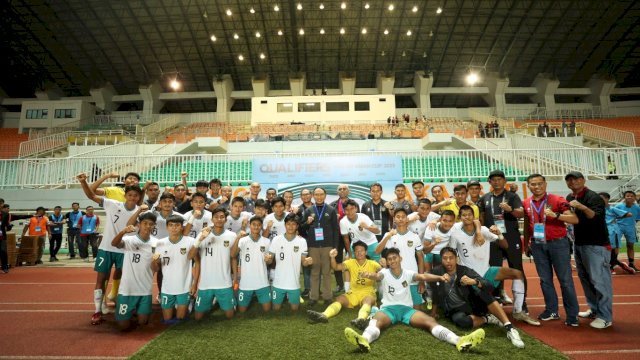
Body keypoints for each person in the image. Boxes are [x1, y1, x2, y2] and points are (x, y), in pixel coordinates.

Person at [343, 247, 485, 353]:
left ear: (400, 258)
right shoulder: (384, 273)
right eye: (389, 259)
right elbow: (376, 277)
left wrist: (440, 277)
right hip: (388, 309)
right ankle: (364, 340)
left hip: (407, 310)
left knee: (430, 322)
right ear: (387, 261)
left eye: (394, 257)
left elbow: (423, 277)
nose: (392, 260)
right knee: (376, 322)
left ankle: (459, 341)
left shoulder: (408, 273)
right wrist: (369, 275)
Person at [449, 205, 539, 326]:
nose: (467, 217)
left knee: (517, 274)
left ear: (474, 216)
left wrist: (500, 234)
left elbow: (505, 245)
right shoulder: (456, 234)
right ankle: (494, 318)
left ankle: (518, 311)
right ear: (460, 218)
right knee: (485, 303)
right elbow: (452, 254)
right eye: (464, 215)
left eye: (469, 214)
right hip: (470, 275)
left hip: (487, 271)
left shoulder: (484, 230)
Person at [77, 172, 141, 325]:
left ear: (139, 197)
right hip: (106, 248)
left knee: (125, 280)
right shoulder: (113, 204)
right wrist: (83, 182)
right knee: (101, 279)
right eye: (130, 195)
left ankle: (124, 307)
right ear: (125, 195)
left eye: (135, 196)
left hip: (125, 250)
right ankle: (98, 310)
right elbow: (91, 196)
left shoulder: (140, 211)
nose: (132, 198)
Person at [431, 247, 525, 348]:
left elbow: (488, 285)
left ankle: (510, 328)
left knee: (485, 294)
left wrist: (474, 282)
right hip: (455, 310)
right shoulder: (436, 272)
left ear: (456, 258)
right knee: (463, 322)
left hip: (471, 304)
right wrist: (433, 313)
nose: (448, 261)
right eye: (445, 258)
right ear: (441, 259)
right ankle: (488, 319)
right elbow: (435, 293)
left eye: (451, 258)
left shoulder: (465, 270)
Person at [522, 173, 580, 326]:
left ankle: (572, 315)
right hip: (537, 244)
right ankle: (552, 310)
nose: (537, 187)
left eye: (540, 183)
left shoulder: (557, 200)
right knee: (545, 280)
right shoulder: (526, 202)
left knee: (565, 281)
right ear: (528, 186)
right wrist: (527, 243)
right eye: (533, 184)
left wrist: (556, 215)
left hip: (558, 244)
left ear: (545, 184)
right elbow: (528, 224)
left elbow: (574, 219)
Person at [565, 171, 613, 329]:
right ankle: (594, 309)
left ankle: (605, 316)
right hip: (578, 243)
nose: (573, 183)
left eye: (576, 179)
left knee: (600, 281)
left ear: (583, 180)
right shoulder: (570, 197)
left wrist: (581, 206)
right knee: (585, 279)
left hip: (596, 245)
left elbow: (595, 217)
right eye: (569, 180)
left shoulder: (593, 197)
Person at [479, 170, 526, 306]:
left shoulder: (512, 196)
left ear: (505, 181)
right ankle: (496, 300)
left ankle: (522, 305)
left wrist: (510, 209)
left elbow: (520, 214)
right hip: (493, 239)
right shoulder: (485, 198)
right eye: (493, 180)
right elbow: (482, 218)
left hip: (510, 238)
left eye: (499, 179)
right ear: (489, 182)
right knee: (494, 270)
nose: (497, 182)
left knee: (517, 269)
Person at [307, 241, 381, 327]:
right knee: (339, 299)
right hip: (353, 292)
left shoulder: (373, 263)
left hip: (367, 292)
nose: (359, 253)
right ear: (354, 252)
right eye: (357, 250)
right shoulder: (350, 262)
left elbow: (382, 274)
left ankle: (361, 319)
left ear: (366, 252)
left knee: (368, 301)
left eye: (361, 250)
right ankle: (324, 315)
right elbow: (336, 267)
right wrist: (332, 257)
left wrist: (372, 274)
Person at [187, 207, 237, 320]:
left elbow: (233, 258)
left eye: (222, 217)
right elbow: (190, 256)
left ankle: (225, 302)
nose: (219, 219)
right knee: (198, 317)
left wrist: (235, 278)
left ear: (225, 219)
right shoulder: (203, 233)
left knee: (230, 316)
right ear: (212, 219)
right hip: (205, 283)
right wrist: (200, 239)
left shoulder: (232, 235)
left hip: (224, 283)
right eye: (216, 217)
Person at [110, 212, 157, 331]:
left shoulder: (156, 243)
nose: (147, 226)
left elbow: (156, 269)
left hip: (145, 289)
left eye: (151, 224)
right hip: (127, 289)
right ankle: (125, 311)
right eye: (145, 223)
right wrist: (122, 232)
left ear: (154, 226)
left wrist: (154, 261)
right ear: (139, 225)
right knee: (123, 327)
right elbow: (114, 244)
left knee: (143, 322)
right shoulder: (129, 240)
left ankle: (135, 313)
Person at [375, 208, 425, 309]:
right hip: (394, 277)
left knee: (417, 309)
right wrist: (387, 236)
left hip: (411, 275)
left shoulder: (415, 237)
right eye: (398, 217)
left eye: (403, 217)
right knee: (393, 308)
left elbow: (420, 259)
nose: (401, 219)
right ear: (394, 219)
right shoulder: (389, 235)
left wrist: (421, 280)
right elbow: (377, 251)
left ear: (407, 219)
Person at [152, 214, 197, 323]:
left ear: (182, 227)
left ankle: (189, 303)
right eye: (171, 225)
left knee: (180, 319)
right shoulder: (160, 243)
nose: (174, 228)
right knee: (167, 320)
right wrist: (154, 261)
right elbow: (156, 268)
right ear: (167, 227)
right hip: (167, 287)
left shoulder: (190, 241)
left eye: (177, 225)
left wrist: (194, 284)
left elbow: (198, 263)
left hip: (184, 287)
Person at [299, 187, 339, 305]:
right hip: (313, 246)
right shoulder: (309, 210)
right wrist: (307, 222)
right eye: (316, 194)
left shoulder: (331, 210)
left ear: (325, 195)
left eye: (321, 194)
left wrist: (335, 247)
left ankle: (327, 296)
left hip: (328, 246)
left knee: (326, 272)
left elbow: (336, 230)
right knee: (314, 272)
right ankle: (314, 297)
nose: (319, 196)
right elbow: (301, 229)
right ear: (313, 196)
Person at [267, 213, 313, 311]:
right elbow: (270, 260)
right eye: (288, 224)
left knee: (294, 310)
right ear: (285, 225)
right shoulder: (276, 239)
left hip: (294, 283)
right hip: (278, 282)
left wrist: (308, 262)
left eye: (293, 224)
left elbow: (303, 262)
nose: (290, 226)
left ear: (297, 226)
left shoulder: (302, 241)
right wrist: (268, 259)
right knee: (276, 309)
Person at [230, 216, 272, 312]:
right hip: (245, 283)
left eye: (258, 225)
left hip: (262, 282)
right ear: (250, 225)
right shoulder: (242, 240)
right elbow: (232, 254)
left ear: (261, 226)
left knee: (267, 310)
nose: (256, 227)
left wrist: (268, 260)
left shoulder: (266, 241)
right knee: (242, 311)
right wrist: (237, 238)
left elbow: (270, 262)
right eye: (254, 225)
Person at [421, 209, 456, 309]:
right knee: (428, 273)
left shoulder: (455, 228)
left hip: (442, 254)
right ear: (440, 219)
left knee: (442, 275)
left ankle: (441, 298)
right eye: (445, 220)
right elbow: (425, 250)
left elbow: (476, 221)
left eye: (450, 221)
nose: (447, 223)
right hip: (430, 252)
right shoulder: (431, 228)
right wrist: (434, 243)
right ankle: (428, 298)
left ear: (454, 222)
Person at [330, 184, 359, 293]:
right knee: (337, 258)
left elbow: (358, 217)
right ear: (337, 192)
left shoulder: (355, 204)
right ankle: (339, 284)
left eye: (344, 189)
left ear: (348, 191)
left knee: (354, 258)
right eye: (340, 189)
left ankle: (354, 282)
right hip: (337, 235)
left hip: (351, 234)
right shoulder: (333, 205)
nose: (342, 191)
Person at [599, 192, 635, 274]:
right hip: (602, 230)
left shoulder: (612, 209)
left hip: (612, 230)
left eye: (602, 198)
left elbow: (629, 214)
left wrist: (616, 218)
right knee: (604, 248)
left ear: (607, 199)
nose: (600, 201)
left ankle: (612, 266)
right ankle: (618, 264)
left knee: (612, 248)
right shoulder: (598, 208)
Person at [614, 191, 640, 272]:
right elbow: (613, 216)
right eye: (627, 196)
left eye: (632, 196)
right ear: (624, 197)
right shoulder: (618, 206)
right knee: (616, 246)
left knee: (630, 246)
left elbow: (637, 219)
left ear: (635, 198)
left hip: (631, 228)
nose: (629, 197)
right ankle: (613, 264)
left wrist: (630, 224)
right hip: (619, 227)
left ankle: (631, 264)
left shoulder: (637, 208)